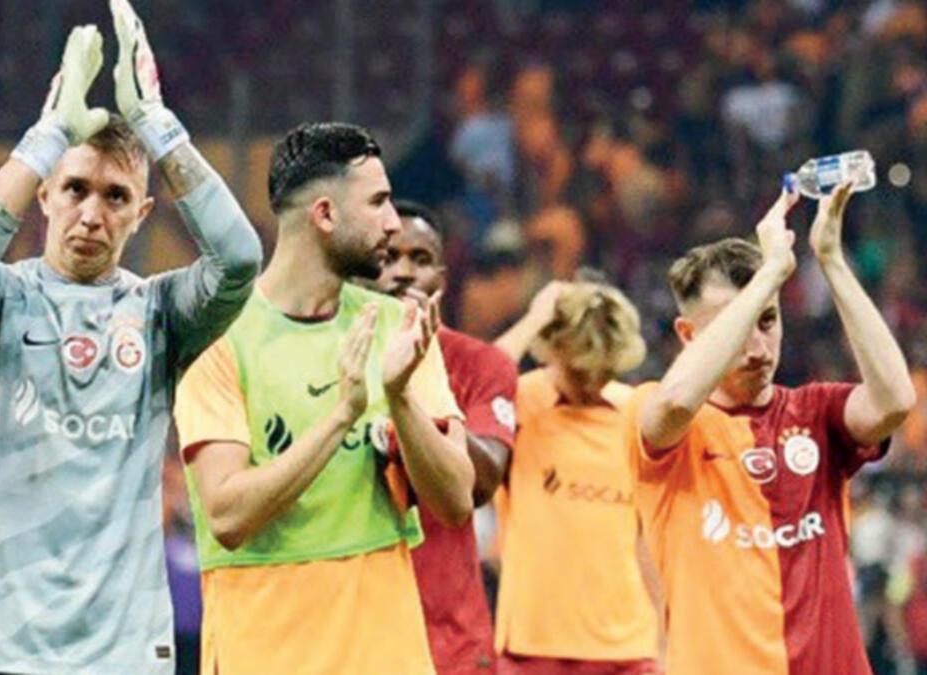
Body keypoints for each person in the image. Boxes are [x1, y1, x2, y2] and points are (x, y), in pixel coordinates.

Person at [0, 1, 262, 672]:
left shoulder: (160, 313)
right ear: (44, 195)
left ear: (143, 212)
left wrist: (159, 127)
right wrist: (45, 136)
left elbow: (239, 260)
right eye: (74, 188)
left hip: (118, 653)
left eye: (115, 195)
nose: (91, 212)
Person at [174, 121, 473, 675]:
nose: (393, 222)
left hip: (388, 655)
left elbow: (456, 500)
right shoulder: (217, 339)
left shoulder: (400, 328)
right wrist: (342, 416)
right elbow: (227, 514)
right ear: (325, 215)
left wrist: (399, 396)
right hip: (265, 654)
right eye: (378, 202)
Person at [627, 184, 915, 675]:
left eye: (768, 321)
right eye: (739, 328)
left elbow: (895, 399)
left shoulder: (816, 412)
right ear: (689, 335)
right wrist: (767, 279)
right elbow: (674, 402)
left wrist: (831, 260)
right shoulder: (660, 417)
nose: (758, 349)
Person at [370, 200, 518, 674]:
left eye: (420, 258)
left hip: (450, 640)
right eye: (388, 257)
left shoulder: (481, 364)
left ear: (442, 277)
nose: (403, 272)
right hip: (359, 628)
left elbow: (482, 482)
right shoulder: (335, 357)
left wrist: (410, 392)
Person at [493, 280, 661, 675]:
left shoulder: (637, 414)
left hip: (627, 648)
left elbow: (649, 538)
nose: (589, 381)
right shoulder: (521, 401)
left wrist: (665, 639)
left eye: (603, 370)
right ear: (551, 349)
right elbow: (473, 382)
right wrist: (534, 318)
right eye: (578, 369)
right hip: (532, 647)